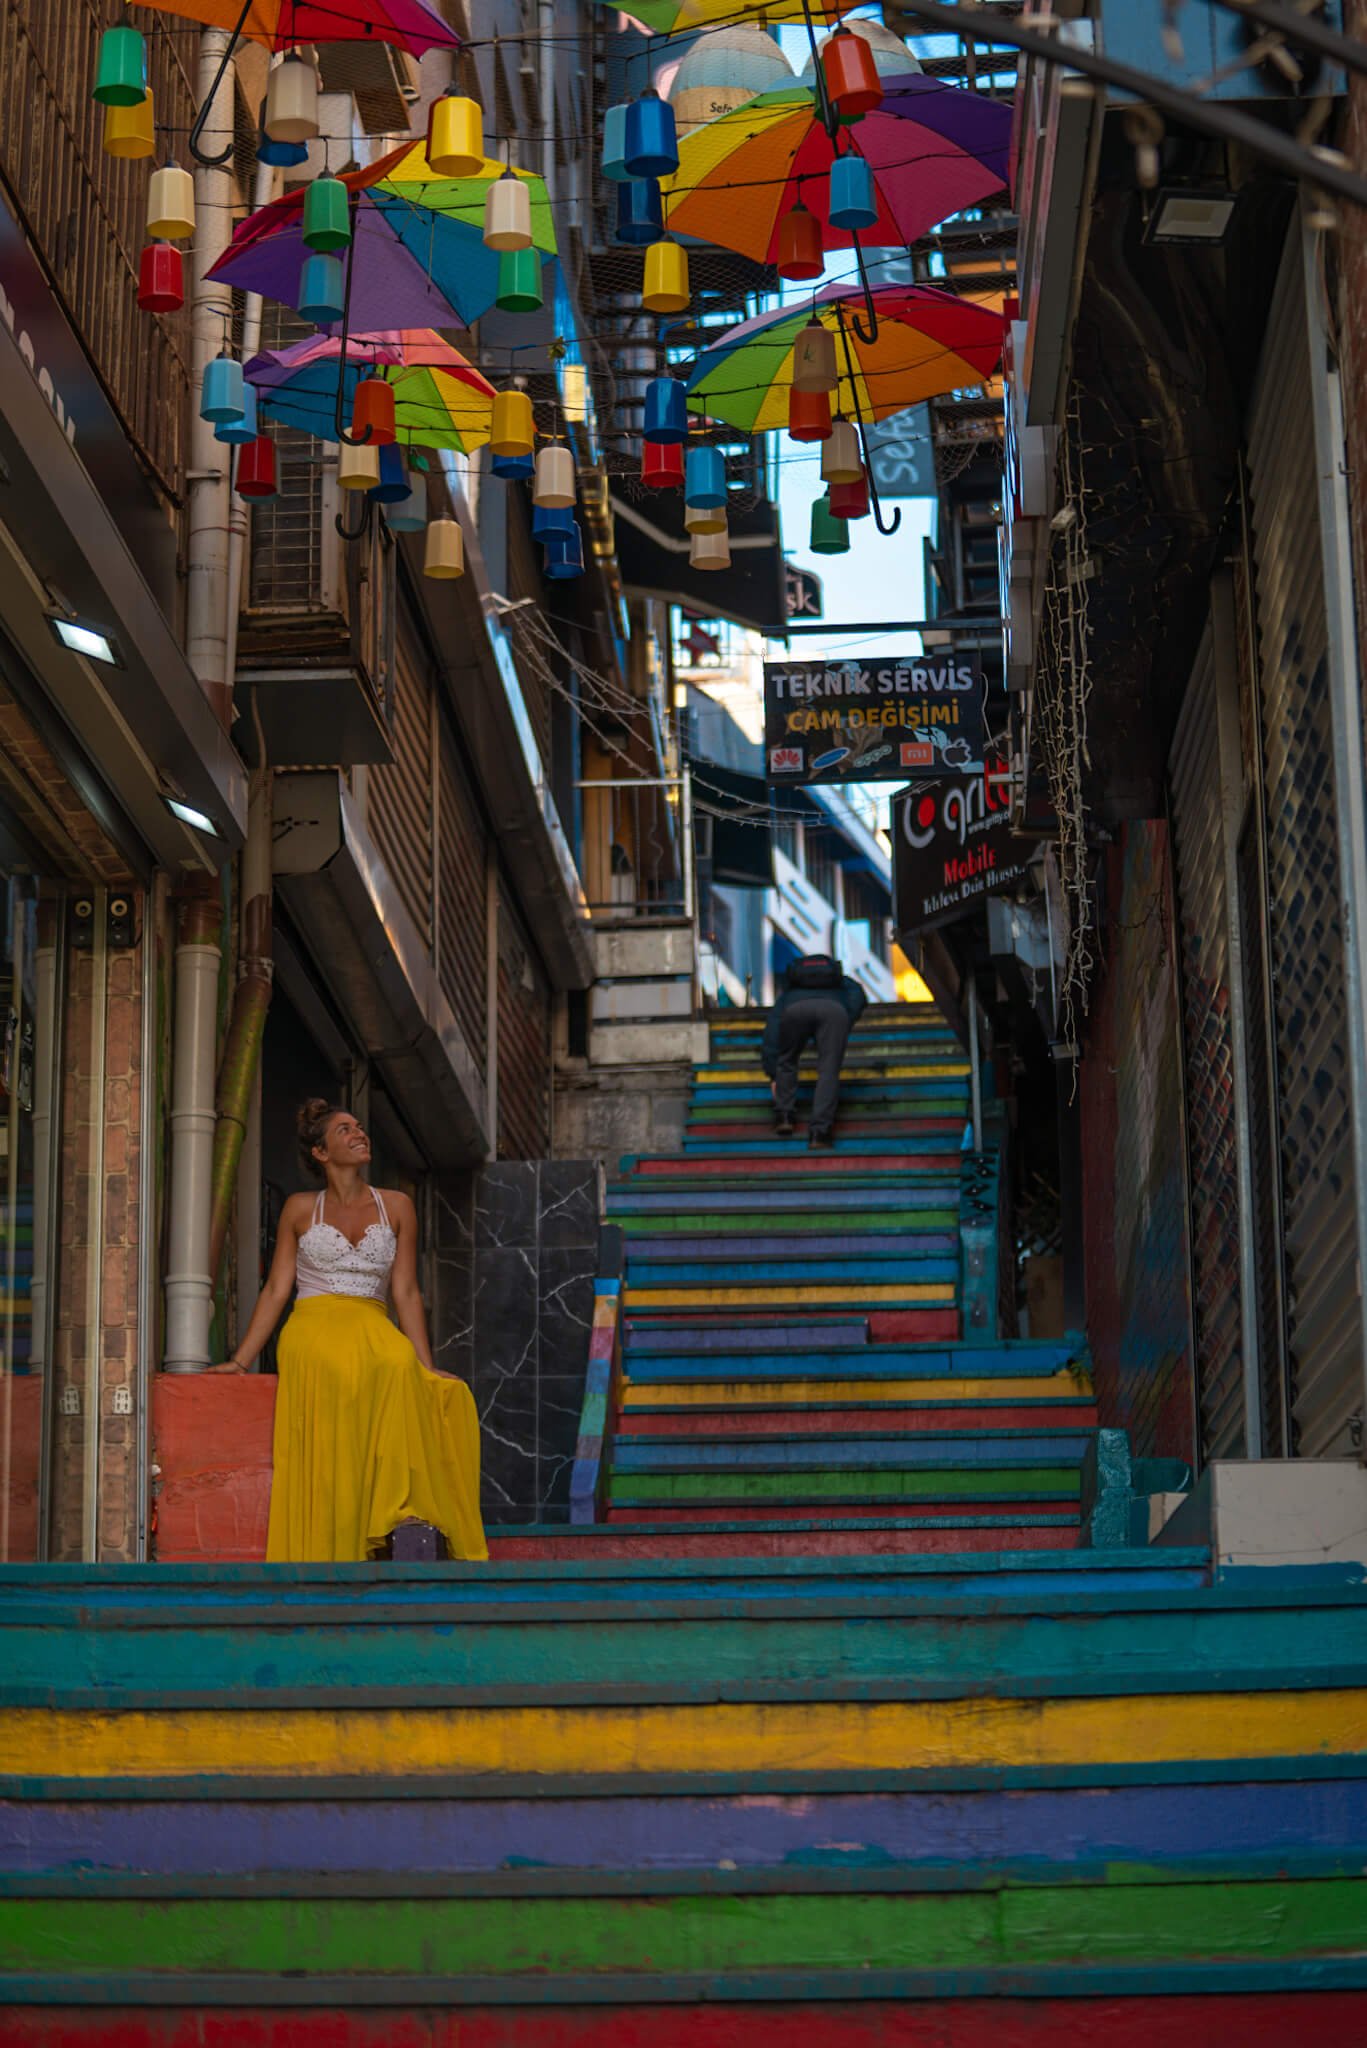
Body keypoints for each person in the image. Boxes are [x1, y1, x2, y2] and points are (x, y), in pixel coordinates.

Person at [211, 1098, 487, 1565]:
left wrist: (425, 1365)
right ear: (321, 1153)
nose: (359, 1133)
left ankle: (396, 1511)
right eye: (344, 1130)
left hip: (371, 1320)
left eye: (359, 1127)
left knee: (399, 1364)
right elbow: (277, 1288)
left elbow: (406, 1291)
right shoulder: (300, 1209)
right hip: (313, 1327)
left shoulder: (397, 1205)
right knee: (346, 1367)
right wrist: (241, 1361)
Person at [761, 953, 868, 1149]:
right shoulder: (839, 981)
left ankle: (785, 1116)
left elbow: (773, 1030)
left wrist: (773, 1073)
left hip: (794, 1010)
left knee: (787, 1060)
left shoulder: (791, 990)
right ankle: (819, 1133)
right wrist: (846, 1016)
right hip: (834, 1010)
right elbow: (859, 994)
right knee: (828, 1070)